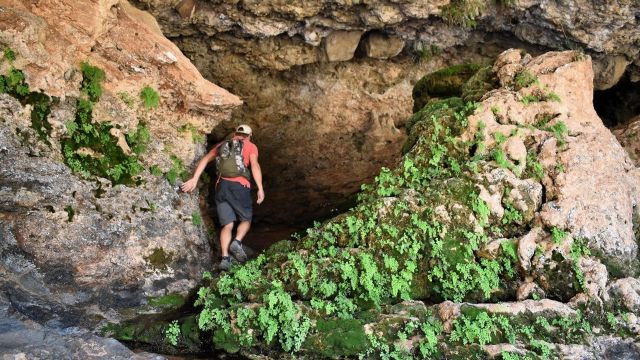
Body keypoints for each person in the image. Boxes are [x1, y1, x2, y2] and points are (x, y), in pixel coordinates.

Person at [181, 124, 264, 271]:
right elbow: (255, 166)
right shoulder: (251, 146)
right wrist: (260, 188)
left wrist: (194, 179)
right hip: (239, 186)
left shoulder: (222, 145)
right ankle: (237, 242)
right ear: (249, 135)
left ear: (235, 134)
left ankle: (225, 258)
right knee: (246, 219)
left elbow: (205, 159)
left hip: (221, 187)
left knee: (227, 224)